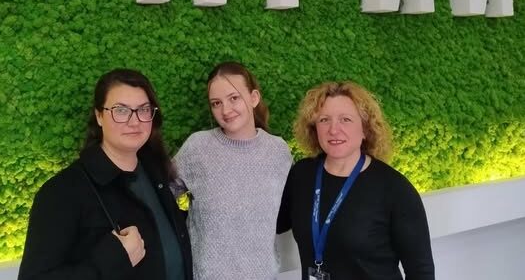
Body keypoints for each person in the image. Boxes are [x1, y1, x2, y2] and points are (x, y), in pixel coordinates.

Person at [18, 68, 192, 280]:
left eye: (144, 109)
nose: (134, 121)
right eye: (121, 110)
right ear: (99, 116)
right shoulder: (63, 192)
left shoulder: (155, 172)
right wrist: (112, 259)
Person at [277, 81, 435, 280]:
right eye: (324, 120)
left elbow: (421, 272)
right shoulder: (302, 175)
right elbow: (273, 223)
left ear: (365, 129)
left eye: (346, 119)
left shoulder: (395, 189)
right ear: (314, 129)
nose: (333, 129)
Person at [173, 61, 293, 280]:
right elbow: (173, 192)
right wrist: (193, 206)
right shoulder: (197, 148)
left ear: (254, 98)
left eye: (234, 98)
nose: (226, 110)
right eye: (216, 103)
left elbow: (285, 209)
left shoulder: (278, 151)